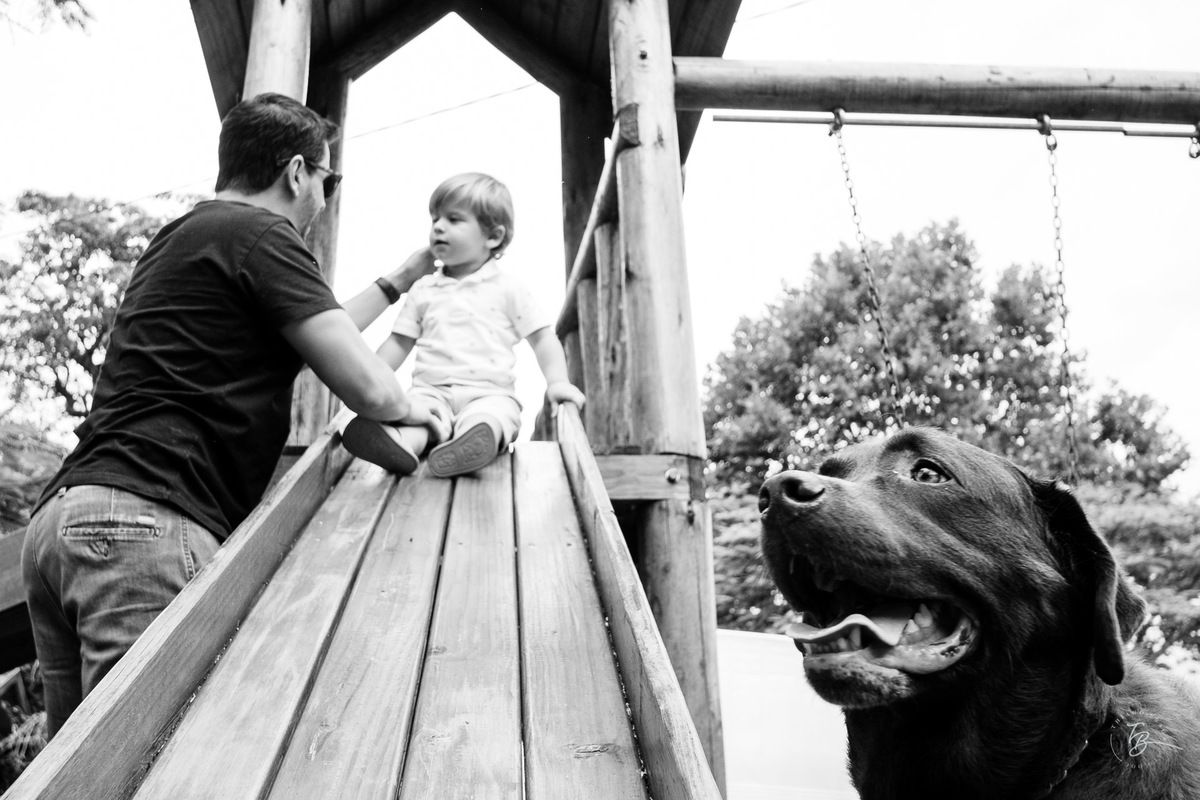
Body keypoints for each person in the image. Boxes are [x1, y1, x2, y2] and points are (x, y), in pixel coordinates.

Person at [21, 92, 449, 738]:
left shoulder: (192, 235)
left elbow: (316, 334)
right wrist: (425, 409)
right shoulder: (265, 235)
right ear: (298, 172)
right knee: (149, 759)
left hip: (65, 524)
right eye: (328, 180)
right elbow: (370, 387)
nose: (324, 196)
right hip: (146, 524)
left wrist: (398, 281)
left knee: (77, 773)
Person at [341, 172, 584, 478]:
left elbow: (542, 339)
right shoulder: (424, 288)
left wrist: (557, 382)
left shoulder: (507, 288)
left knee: (491, 418)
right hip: (430, 393)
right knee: (415, 418)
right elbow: (398, 342)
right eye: (435, 219)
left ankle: (471, 446)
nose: (438, 227)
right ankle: (398, 445)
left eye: (454, 219)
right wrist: (369, 382)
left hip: (489, 393)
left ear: (493, 237)